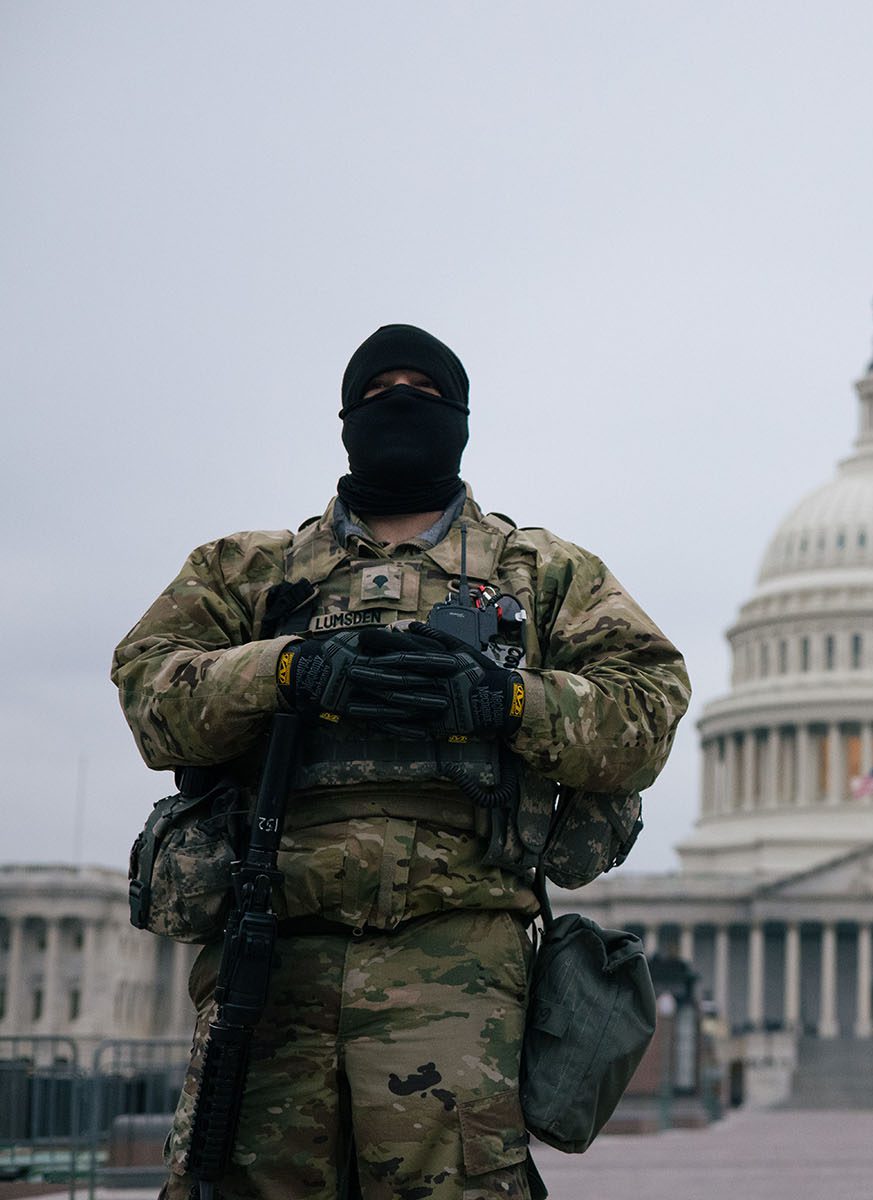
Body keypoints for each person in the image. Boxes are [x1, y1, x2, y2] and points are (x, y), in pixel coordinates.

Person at [113, 324, 691, 1199]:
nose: (403, 405)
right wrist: (282, 670)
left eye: (424, 390)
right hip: (271, 958)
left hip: (458, 961)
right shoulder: (250, 573)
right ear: (346, 419)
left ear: (460, 419)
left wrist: (512, 702)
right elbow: (151, 693)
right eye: (382, 390)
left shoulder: (539, 574)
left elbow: (648, 706)